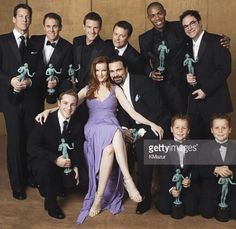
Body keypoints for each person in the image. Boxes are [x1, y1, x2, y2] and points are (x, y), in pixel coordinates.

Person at [36, 56, 163, 224]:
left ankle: (99, 197)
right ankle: (128, 180)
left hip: (111, 125)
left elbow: (132, 113)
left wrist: (152, 123)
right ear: (94, 72)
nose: (102, 73)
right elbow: (68, 104)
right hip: (94, 128)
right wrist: (49, 111)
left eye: (105, 70)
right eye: (98, 70)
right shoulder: (87, 89)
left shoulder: (116, 89)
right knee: (117, 132)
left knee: (110, 149)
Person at [139, 2, 230, 116]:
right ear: (148, 17)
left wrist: (223, 40)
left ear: (165, 13)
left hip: (183, 85)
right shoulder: (144, 38)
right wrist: (150, 73)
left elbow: (199, 37)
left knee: (184, 121)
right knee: (162, 120)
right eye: (152, 15)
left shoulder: (180, 27)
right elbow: (142, 63)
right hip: (159, 87)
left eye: (159, 13)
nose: (157, 18)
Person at [108, 56, 170, 214]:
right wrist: (124, 129)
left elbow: (158, 109)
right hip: (132, 128)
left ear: (126, 69)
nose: (115, 74)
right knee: (113, 142)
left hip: (155, 124)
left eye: (119, 70)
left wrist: (141, 131)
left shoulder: (143, 82)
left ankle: (145, 195)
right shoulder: (113, 88)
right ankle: (117, 191)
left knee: (143, 147)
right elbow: (122, 113)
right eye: (112, 71)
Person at [0, 3, 43, 200]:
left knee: (30, 140)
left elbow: (41, 71)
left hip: (31, 100)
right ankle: (17, 185)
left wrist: (31, 81)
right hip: (10, 100)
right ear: (13, 19)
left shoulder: (35, 45)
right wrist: (10, 80)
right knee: (15, 141)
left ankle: (29, 177)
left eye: (28, 16)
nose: (25, 19)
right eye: (21, 16)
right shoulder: (2, 41)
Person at [27, 90, 84, 219]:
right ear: (58, 103)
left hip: (64, 162)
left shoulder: (77, 124)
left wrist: (74, 165)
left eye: (73, 104)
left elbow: (78, 148)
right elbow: (31, 147)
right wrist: (54, 159)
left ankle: (56, 186)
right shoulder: (44, 120)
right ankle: (51, 203)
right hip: (45, 159)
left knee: (81, 179)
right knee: (45, 168)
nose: (68, 108)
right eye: (65, 103)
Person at [180, 10, 233, 139]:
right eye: (185, 26)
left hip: (215, 101)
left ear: (200, 23)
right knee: (197, 144)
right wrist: (186, 77)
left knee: (216, 145)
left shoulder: (218, 41)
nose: (189, 28)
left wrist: (205, 90)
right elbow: (182, 69)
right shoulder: (185, 45)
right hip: (195, 105)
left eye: (192, 23)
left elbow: (224, 70)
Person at [156, 114, 198, 217]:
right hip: (171, 184)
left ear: (188, 131)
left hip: (186, 185)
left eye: (184, 128)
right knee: (165, 209)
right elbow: (163, 171)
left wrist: (189, 179)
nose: (180, 131)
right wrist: (171, 188)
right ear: (171, 129)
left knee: (192, 210)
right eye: (177, 127)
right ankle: (160, 196)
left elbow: (196, 168)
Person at [198, 114, 236, 220]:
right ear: (211, 130)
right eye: (216, 128)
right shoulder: (204, 148)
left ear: (230, 130)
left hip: (231, 189)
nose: (220, 131)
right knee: (207, 213)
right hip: (211, 188)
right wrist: (216, 169)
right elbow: (200, 170)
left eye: (224, 128)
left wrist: (232, 172)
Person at [31, 12, 73, 103]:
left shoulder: (68, 47)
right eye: (48, 26)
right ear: (44, 27)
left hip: (55, 88)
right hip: (34, 87)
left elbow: (66, 72)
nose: (51, 30)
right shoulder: (34, 40)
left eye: (55, 26)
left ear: (60, 27)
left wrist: (56, 79)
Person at [73, 12, 114, 90]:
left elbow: (107, 74)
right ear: (84, 27)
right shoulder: (77, 41)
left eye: (95, 27)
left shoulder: (106, 48)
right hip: (75, 88)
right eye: (89, 27)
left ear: (100, 28)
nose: (92, 31)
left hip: (94, 89)